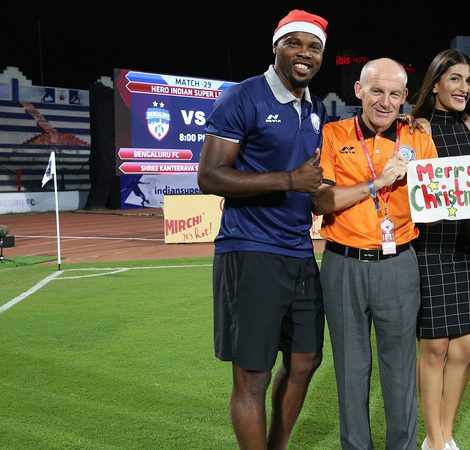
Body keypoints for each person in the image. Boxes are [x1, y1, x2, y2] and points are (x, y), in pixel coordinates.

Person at [196, 10, 329, 450]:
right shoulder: (242, 97)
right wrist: (289, 180)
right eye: (294, 43)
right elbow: (210, 176)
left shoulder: (315, 108)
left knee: (306, 360)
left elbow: (313, 179)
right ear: (275, 47)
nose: (304, 53)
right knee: (253, 374)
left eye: (314, 47)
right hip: (250, 247)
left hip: (299, 250)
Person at [312, 58, 438, 450]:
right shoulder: (333, 134)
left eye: (394, 94)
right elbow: (320, 201)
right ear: (359, 91)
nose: (385, 102)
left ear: (404, 97)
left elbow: (438, 198)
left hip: (398, 264)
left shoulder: (417, 136)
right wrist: (377, 182)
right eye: (377, 91)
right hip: (343, 264)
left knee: (400, 372)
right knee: (351, 371)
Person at [409, 49, 470, 450]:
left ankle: (441, 437)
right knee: (434, 347)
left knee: (466, 345)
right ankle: (436, 438)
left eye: (469, 80)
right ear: (435, 84)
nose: (464, 87)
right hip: (428, 246)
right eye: (455, 79)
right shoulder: (415, 127)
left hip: (464, 246)